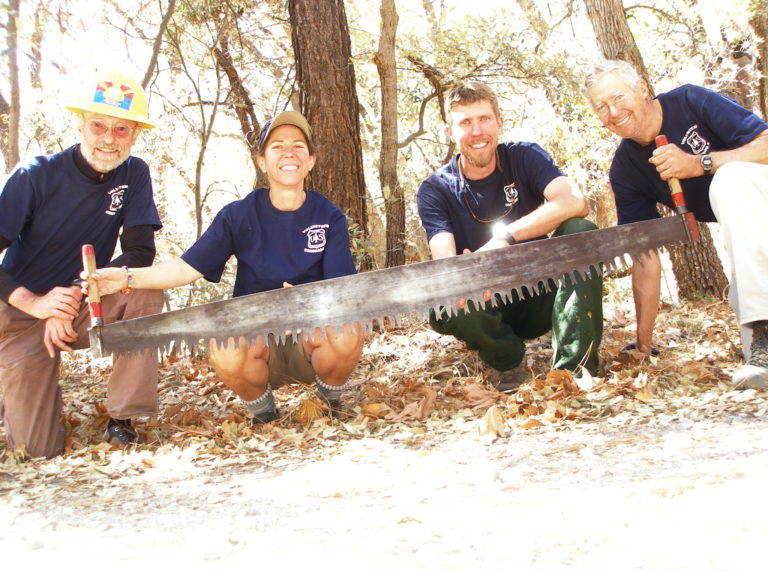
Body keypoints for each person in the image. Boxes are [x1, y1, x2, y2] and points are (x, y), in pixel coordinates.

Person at [87, 111, 364, 424]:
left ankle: (330, 402)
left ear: (310, 160)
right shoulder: (238, 215)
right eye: (277, 146)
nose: (289, 152)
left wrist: (305, 301)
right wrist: (125, 278)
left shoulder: (329, 216)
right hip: (259, 345)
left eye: (298, 146)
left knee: (348, 330)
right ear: (261, 161)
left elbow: (343, 294)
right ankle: (264, 415)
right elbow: (185, 269)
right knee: (224, 346)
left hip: (312, 338)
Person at [0, 72, 164, 459]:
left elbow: (140, 251)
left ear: (135, 134)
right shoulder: (34, 176)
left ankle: (122, 419)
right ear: (80, 124)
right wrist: (37, 304)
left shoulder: (134, 173)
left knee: (143, 287)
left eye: (121, 129)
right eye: (99, 125)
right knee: (35, 452)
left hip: (79, 306)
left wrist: (74, 294)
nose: (109, 138)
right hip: (19, 314)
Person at [582, 59, 768, 389]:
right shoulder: (625, 169)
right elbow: (645, 254)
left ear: (642, 89)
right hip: (755, 243)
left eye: (618, 97)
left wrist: (700, 163)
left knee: (731, 180)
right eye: (601, 107)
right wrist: (643, 344)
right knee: (750, 324)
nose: (612, 112)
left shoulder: (690, 100)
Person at [416, 80, 603, 391]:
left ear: (499, 123)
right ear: (450, 132)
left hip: (539, 293)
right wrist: (469, 275)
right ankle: (506, 361)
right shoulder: (435, 189)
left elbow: (574, 202)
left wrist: (503, 239)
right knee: (448, 295)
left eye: (484, 119)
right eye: (465, 122)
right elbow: (444, 258)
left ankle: (575, 368)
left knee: (580, 232)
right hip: (486, 306)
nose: (477, 131)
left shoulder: (524, 157)